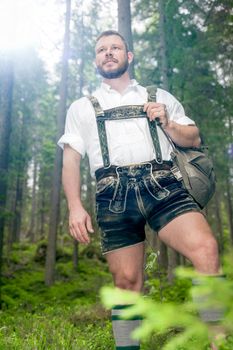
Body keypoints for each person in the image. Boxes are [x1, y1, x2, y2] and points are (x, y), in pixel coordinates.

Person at [58, 30, 221, 350]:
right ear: (95, 60)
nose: (108, 53)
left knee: (206, 249)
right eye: (102, 49)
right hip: (112, 193)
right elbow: (71, 159)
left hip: (163, 185)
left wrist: (169, 124)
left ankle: (220, 341)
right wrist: (75, 206)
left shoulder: (158, 94)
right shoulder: (81, 107)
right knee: (127, 283)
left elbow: (194, 138)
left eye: (115, 47)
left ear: (128, 56)